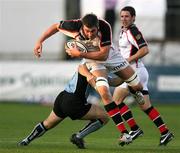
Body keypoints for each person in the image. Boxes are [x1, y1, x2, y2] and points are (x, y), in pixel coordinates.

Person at [33, 13, 146, 145]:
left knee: (138, 86)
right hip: (93, 60)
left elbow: (104, 55)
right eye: (87, 30)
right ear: (82, 26)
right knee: (104, 93)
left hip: (110, 56)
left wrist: (79, 53)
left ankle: (134, 90)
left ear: (97, 27)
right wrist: (39, 41)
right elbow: (56, 26)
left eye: (93, 31)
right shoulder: (75, 25)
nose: (90, 33)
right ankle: (124, 133)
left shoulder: (104, 26)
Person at [112, 6, 174, 146]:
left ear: (133, 17)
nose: (124, 19)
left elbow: (145, 49)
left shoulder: (133, 31)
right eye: (122, 16)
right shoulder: (123, 31)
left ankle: (134, 129)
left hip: (133, 72)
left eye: (127, 16)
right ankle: (165, 132)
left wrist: (127, 61)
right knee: (146, 107)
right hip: (137, 71)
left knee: (115, 101)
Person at [18, 64, 109, 149]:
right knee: (104, 117)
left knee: (47, 124)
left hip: (63, 97)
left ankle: (26, 140)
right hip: (74, 101)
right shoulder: (95, 65)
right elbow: (99, 81)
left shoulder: (87, 63)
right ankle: (78, 136)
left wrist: (122, 78)